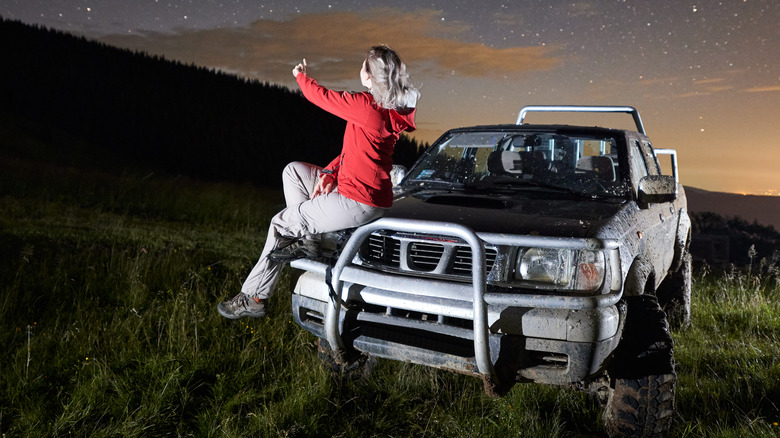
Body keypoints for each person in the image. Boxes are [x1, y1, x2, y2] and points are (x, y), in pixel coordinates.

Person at [218, 45, 420, 319]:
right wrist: (329, 172)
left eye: (364, 66)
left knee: (280, 223)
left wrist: (302, 77)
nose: (360, 70)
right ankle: (309, 240)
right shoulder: (386, 109)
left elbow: (321, 97)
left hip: (357, 200)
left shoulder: (367, 106)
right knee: (294, 172)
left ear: (370, 75)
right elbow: (358, 153)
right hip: (361, 190)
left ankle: (254, 296)